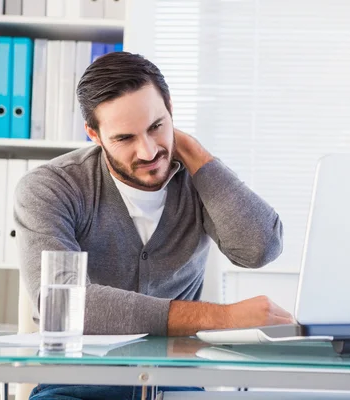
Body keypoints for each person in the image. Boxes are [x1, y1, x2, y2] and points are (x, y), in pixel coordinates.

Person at [15, 52, 292, 399]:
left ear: (171, 109)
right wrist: (223, 318)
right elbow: (66, 306)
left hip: (174, 383)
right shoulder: (52, 187)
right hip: (75, 384)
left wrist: (198, 157)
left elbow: (260, 249)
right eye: (125, 138)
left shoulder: (199, 181)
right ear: (94, 134)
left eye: (156, 127)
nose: (148, 152)